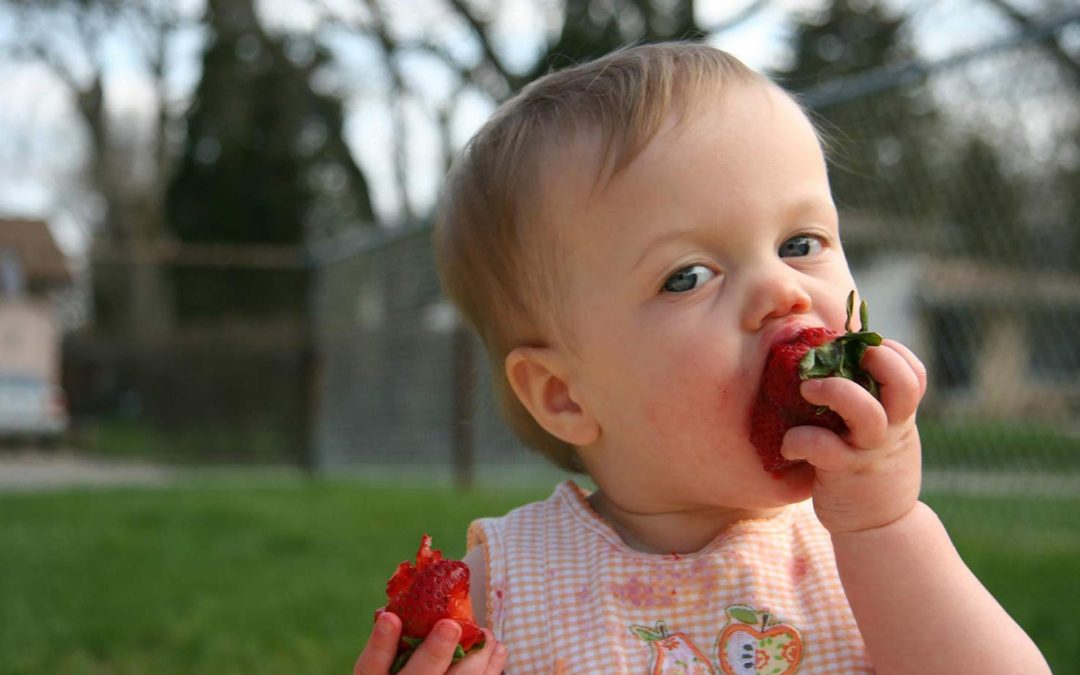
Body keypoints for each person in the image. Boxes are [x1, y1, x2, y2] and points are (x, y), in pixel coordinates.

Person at [354, 42, 1049, 674]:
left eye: (801, 243)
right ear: (565, 394)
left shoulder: (863, 550)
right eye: (687, 276)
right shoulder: (506, 587)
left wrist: (888, 526)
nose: (783, 291)